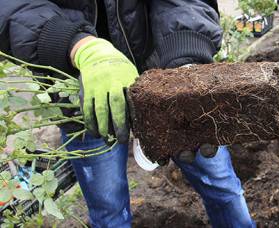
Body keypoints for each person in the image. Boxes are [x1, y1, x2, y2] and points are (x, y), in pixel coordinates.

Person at [0, 1, 255, 227]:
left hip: (166, 82)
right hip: (85, 95)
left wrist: (184, 56)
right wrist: (77, 45)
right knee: (109, 210)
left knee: (220, 183)